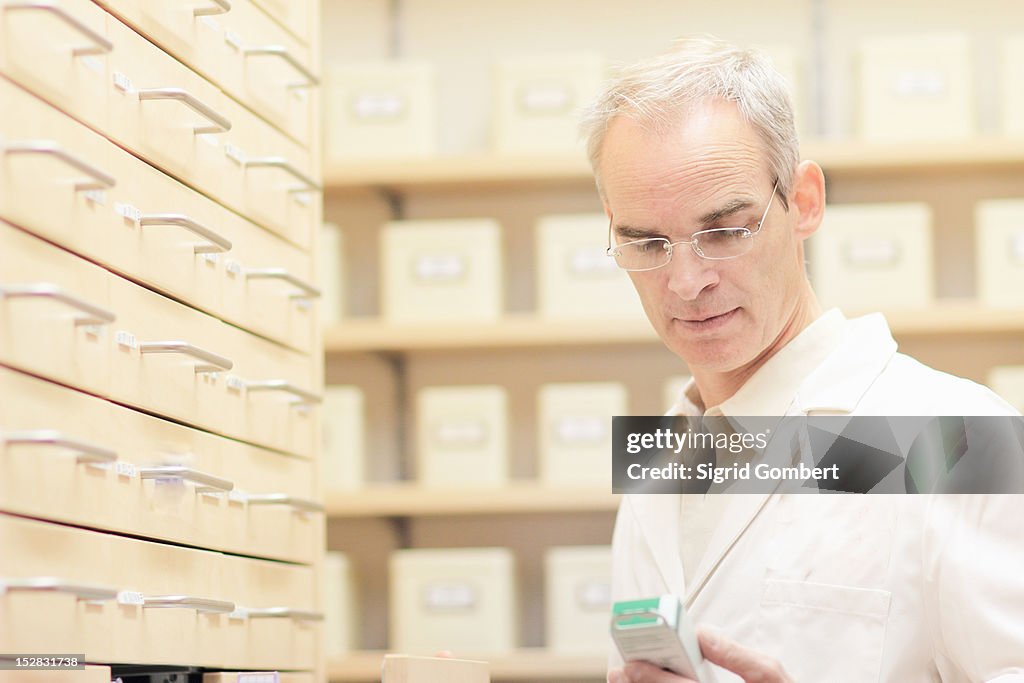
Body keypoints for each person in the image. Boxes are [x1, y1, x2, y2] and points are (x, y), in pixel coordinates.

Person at [580, 37, 1024, 682]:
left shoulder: (961, 438)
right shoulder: (657, 459)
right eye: (646, 241)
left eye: (726, 231)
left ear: (806, 201)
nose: (684, 282)